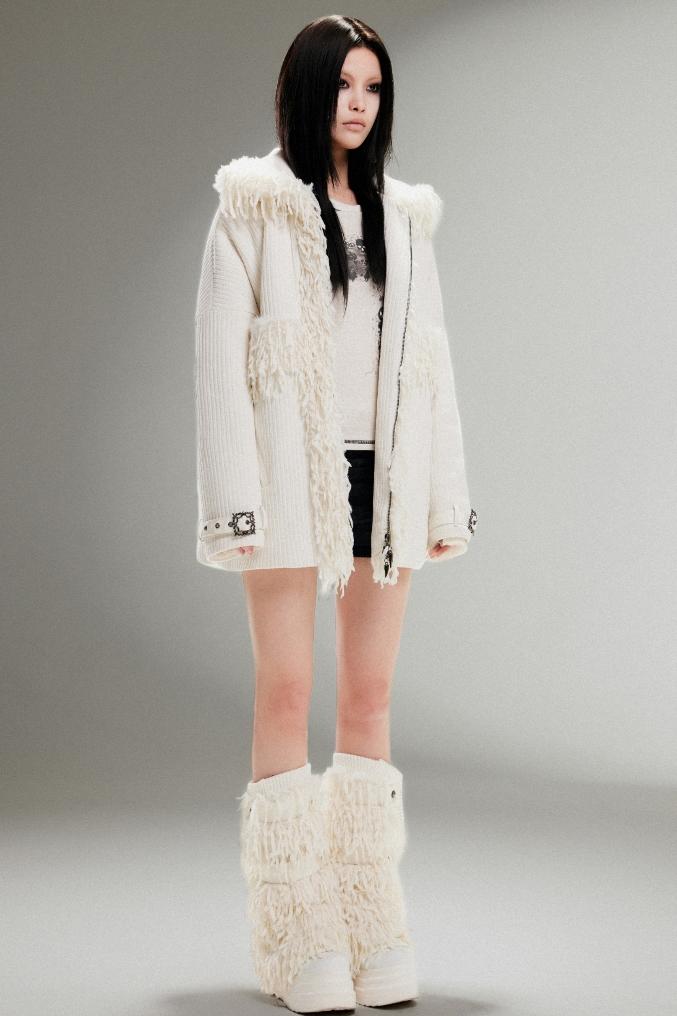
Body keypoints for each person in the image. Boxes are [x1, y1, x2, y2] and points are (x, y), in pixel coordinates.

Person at [193, 14, 477, 1012]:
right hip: (285, 478)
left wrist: (444, 497)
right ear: (308, 90)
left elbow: (430, 368)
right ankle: (294, 929)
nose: (359, 103)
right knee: (285, 690)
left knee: (369, 697)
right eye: (345, 84)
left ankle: (366, 911)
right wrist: (233, 506)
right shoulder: (252, 209)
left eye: (373, 87)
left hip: (383, 481)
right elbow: (217, 369)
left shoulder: (404, 220)